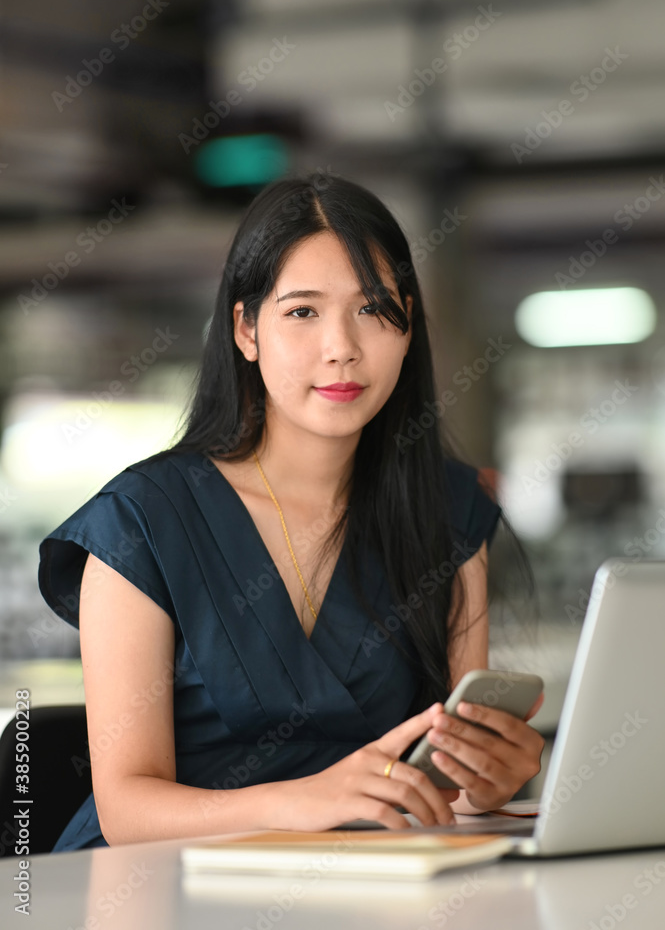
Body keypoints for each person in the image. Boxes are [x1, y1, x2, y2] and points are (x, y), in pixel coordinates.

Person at [38, 170, 544, 851]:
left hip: (361, 882)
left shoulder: (447, 512)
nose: (341, 347)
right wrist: (308, 800)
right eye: (302, 312)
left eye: (371, 309)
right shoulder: (142, 522)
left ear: (407, 324)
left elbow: (442, 784)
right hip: (153, 890)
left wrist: (490, 779)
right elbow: (127, 808)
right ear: (246, 330)